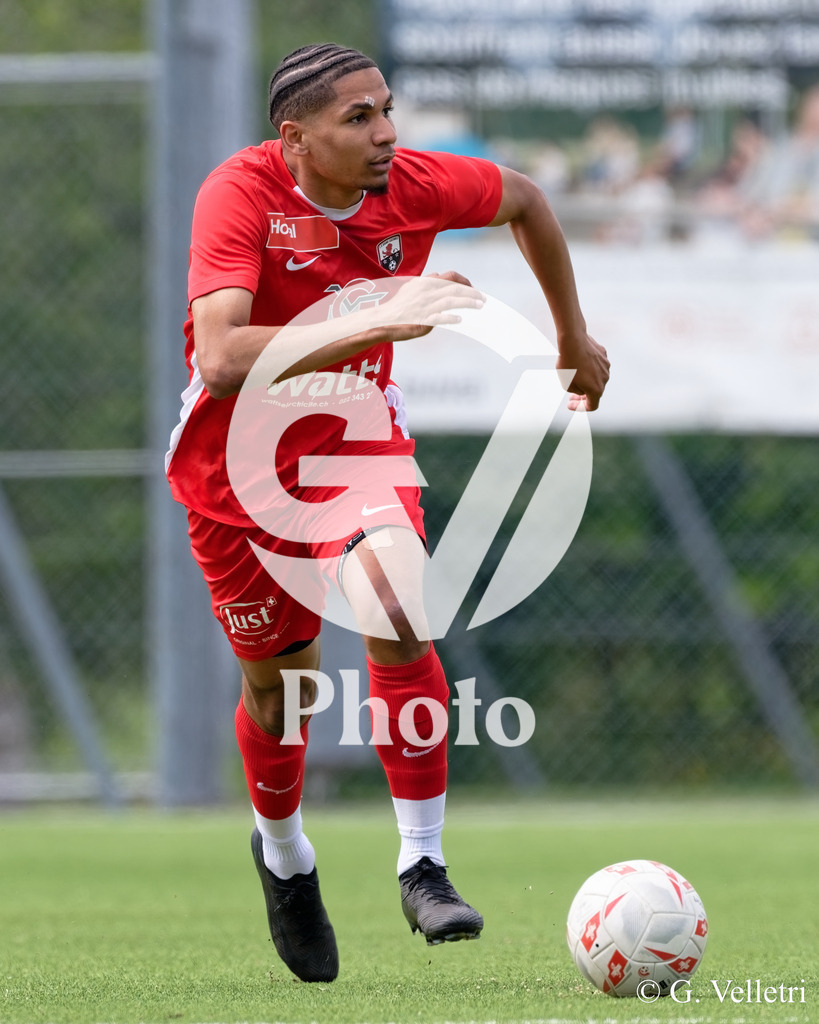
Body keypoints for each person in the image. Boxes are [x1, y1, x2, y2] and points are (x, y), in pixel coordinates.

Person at [165, 42, 610, 984]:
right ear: (295, 139)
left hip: (355, 447)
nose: (386, 133)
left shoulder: (412, 185)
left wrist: (571, 340)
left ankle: (423, 865)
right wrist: (378, 316)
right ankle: (285, 856)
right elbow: (222, 358)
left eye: (387, 109)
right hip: (234, 472)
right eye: (358, 118)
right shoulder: (238, 194)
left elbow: (526, 199)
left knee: (398, 605)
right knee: (278, 693)